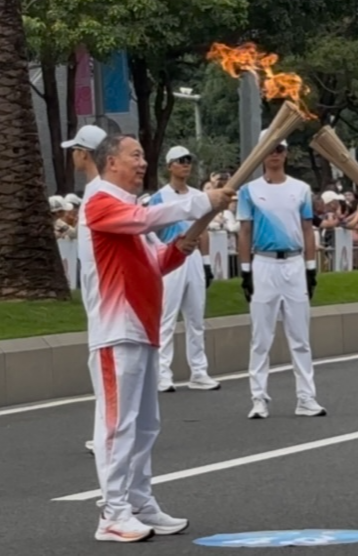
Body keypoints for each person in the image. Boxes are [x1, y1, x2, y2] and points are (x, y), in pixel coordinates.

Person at [82, 133, 233, 542]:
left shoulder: (130, 207)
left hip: (143, 326)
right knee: (117, 426)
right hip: (116, 329)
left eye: (144, 156)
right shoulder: (99, 200)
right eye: (135, 155)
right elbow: (148, 220)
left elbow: (155, 263)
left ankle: (139, 501)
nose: (143, 162)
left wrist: (182, 247)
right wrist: (203, 201)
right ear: (111, 161)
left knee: (146, 425)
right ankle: (112, 513)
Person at [237, 130, 325, 420]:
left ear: (286, 153)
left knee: (300, 337)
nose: (275, 153)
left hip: (293, 264)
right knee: (261, 337)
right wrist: (246, 270)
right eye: (271, 148)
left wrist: (311, 269)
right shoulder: (248, 191)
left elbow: (307, 229)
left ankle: (306, 398)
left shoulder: (300, 189)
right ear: (262, 153)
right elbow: (245, 231)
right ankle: (259, 398)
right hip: (263, 264)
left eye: (280, 148)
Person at [148, 146, 221, 393]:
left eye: (188, 160)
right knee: (167, 318)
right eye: (180, 161)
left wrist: (207, 263)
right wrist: (161, 255)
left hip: (194, 259)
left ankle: (199, 372)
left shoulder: (199, 196)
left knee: (196, 318)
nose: (185, 164)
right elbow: (150, 231)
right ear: (170, 166)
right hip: (171, 259)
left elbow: (204, 229)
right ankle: (163, 374)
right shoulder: (159, 197)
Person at [61, 124, 108, 456]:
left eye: (76, 150)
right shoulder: (96, 190)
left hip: (107, 296)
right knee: (102, 367)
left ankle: (109, 434)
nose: (73, 155)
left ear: (84, 153)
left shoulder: (101, 192)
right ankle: (106, 431)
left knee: (105, 367)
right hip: (98, 294)